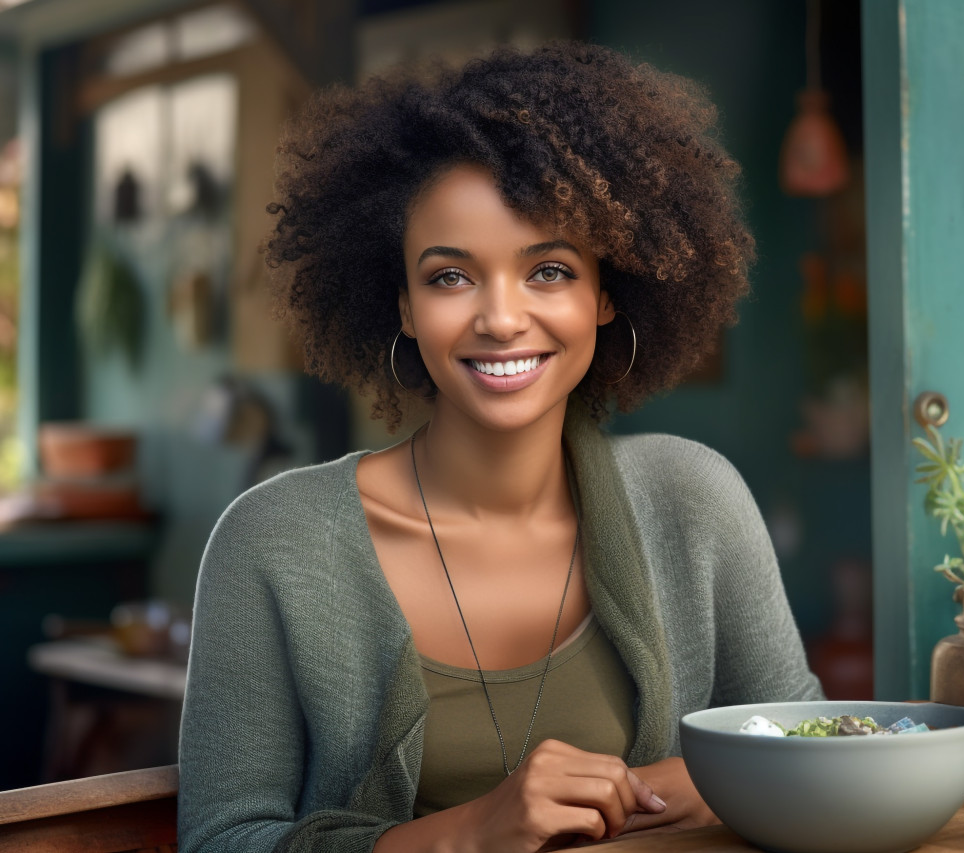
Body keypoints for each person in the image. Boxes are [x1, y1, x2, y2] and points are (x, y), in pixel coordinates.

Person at [178, 42, 823, 853]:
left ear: (605, 294)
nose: (501, 318)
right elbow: (221, 838)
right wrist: (472, 832)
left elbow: (804, 748)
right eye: (451, 277)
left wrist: (657, 788)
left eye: (548, 270)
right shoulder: (273, 539)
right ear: (403, 304)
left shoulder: (693, 497)